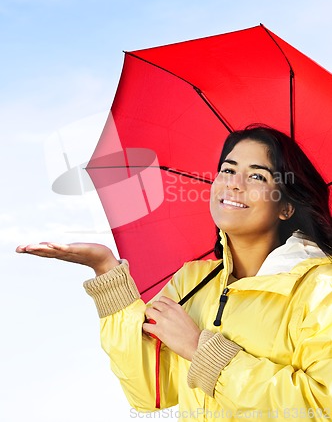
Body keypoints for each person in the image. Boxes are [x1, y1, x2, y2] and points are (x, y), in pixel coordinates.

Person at [16, 125, 332, 421]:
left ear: (286, 207)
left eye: (258, 177)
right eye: (228, 169)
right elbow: (149, 390)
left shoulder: (320, 289)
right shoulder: (192, 281)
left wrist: (200, 351)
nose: (234, 183)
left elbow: (320, 408)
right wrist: (107, 272)